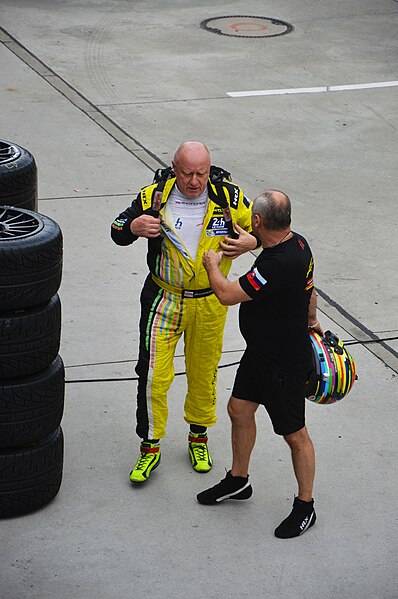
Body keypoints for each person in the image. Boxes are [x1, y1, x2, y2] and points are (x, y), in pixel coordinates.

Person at [111, 141, 258, 484]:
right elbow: (117, 229)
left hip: (210, 301)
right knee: (153, 375)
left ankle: (198, 438)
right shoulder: (153, 197)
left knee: (204, 373)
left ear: (210, 169)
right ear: (174, 168)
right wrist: (132, 229)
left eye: (201, 173)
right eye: (187, 173)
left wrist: (252, 242)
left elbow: (265, 230)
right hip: (164, 298)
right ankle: (150, 447)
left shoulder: (230, 198)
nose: (194, 181)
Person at [197, 189, 324, 539]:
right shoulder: (297, 244)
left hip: (283, 363)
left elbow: (225, 295)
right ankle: (239, 480)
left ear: (257, 221)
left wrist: (211, 265)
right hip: (260, 355)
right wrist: (313, 321)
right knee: (239, 409)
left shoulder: (277, 263)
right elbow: (310, 290)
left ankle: (305, 506)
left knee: (295, 435)